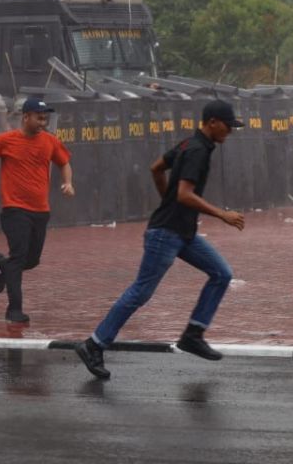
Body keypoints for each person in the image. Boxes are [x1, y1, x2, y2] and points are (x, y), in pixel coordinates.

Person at [75, 100, 245, 379]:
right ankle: (94, 344)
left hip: (183, 232)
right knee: (141, 292)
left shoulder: (187, 144)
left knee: (221, 273)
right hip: (166, 234)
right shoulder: (198, 150)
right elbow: (184, 194)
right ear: (213, 122)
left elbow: (155, 168)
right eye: (228, 126)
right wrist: (222, 214)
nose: (230, 131)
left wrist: (167, 200)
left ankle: (193, 334)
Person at [0, 97, 74, 324]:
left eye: (45, 119)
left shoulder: (50, 141)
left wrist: (68, 182)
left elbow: (64, 162)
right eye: (39, 118)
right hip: (14, 210)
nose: (43, 122)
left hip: (40, 210)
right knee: (19, 259)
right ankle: (14, 310)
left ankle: (1, 264)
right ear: (26, 117)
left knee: (31, 261)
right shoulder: (7, 140)